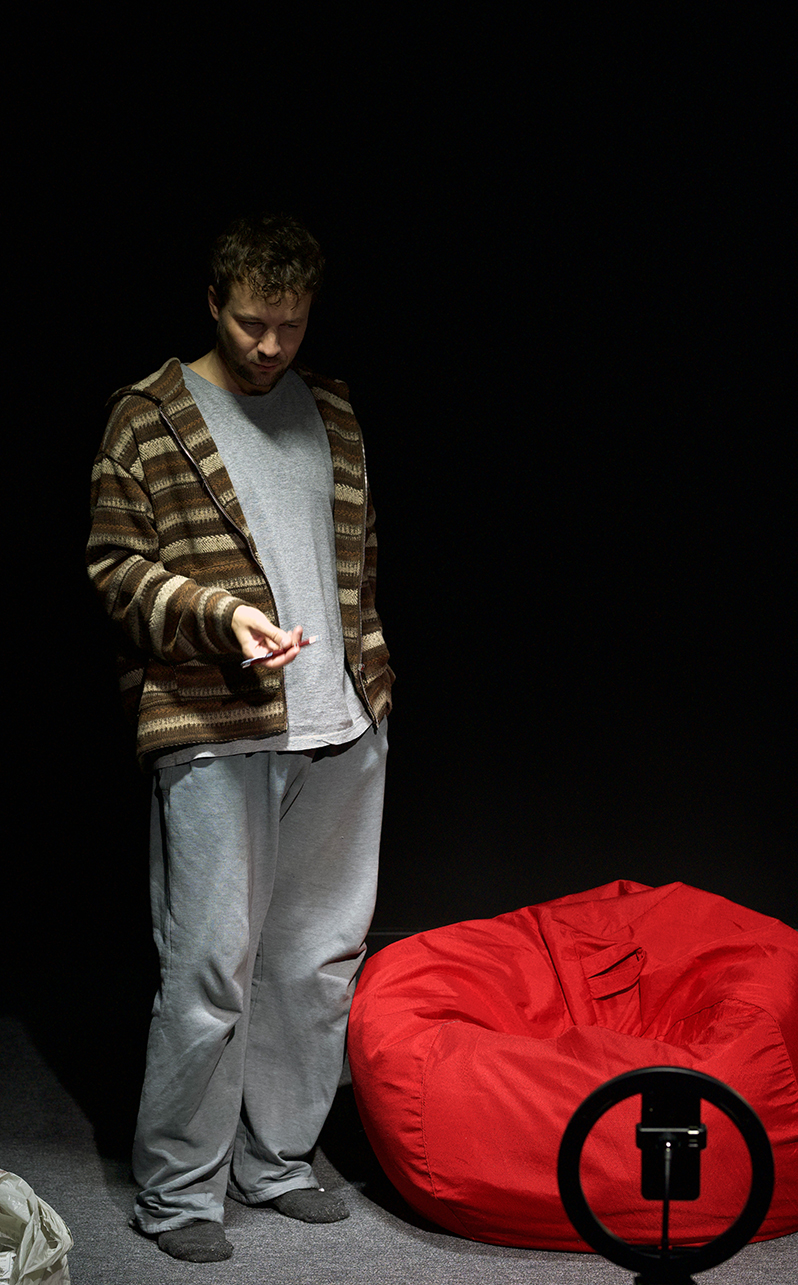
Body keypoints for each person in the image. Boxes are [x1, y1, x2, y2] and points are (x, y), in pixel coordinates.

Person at [87, 212, 392, 1263]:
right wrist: (219, 617)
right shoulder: (149, 416)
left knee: (315, 962)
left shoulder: (332, 410)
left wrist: (368, 676)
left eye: (291, 325)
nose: (271, 345)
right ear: (213, 302)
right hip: (216, 722)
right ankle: (180, 1189)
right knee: (211, 961)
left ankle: (278, 1158)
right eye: (254, 322)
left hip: (341, 723)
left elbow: (356, 561)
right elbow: (115, 569)